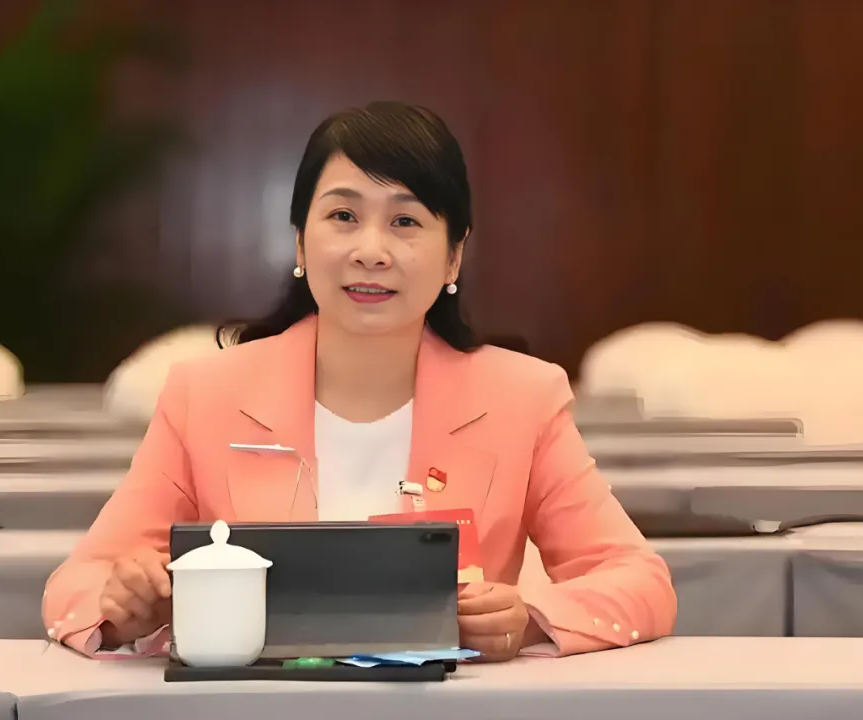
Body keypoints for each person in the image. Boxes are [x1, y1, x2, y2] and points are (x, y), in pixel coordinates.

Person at [43, 101, 676, 661]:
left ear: (453, 256)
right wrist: (126, 606)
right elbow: (75, 587)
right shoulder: (204, 395)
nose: (371, 250)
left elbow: (639, 580)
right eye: (343, 215)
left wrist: (530, 619)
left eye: (405, 222)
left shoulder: (521, 398)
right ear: (300, 243)